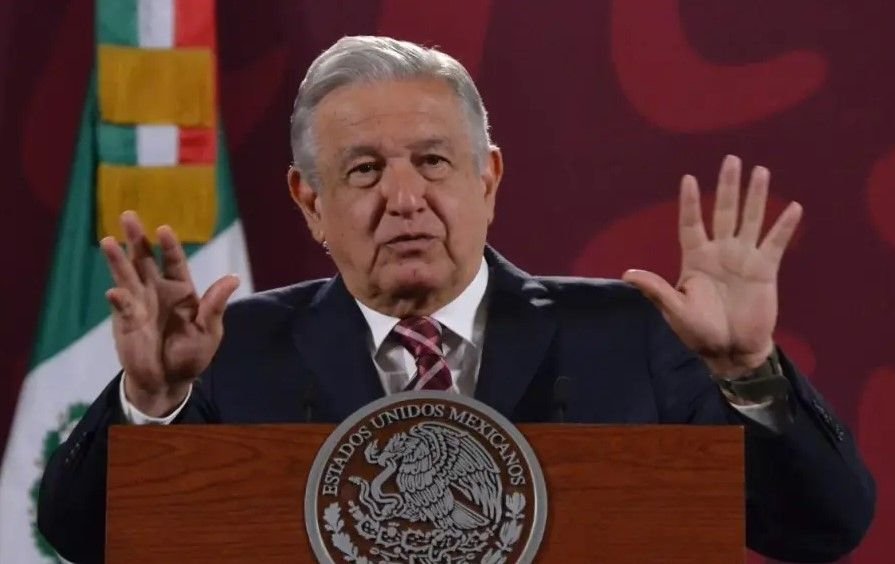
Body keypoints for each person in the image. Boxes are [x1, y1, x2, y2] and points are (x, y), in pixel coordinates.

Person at [38, 36, 874, 563]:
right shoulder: (228, 349)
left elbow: (819, 529)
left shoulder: (631, 335)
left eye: (433, 162)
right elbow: (80, 538)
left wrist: (747, 372)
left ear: (488, 179)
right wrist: (152, 402)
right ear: (309, 202)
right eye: (364, 170)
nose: (404, 199)